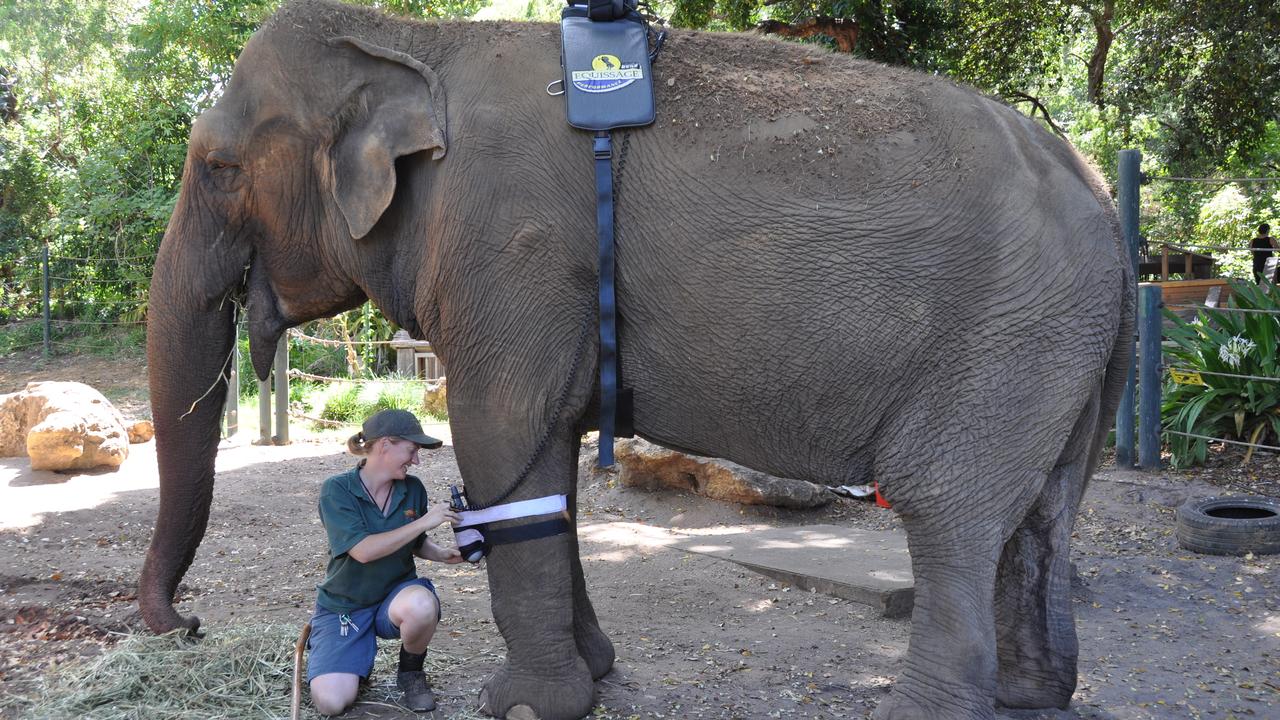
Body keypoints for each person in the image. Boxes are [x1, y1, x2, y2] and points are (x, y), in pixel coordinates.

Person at [307, 408, 461, 715]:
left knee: (422, 605)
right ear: (385, 444)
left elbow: (413, 542)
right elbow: (363, 551)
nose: (415, 460)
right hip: (345, 607)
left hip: (394, 597)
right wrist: (424, 523)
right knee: (331, 703)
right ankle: (350, 662)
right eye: (411, 450)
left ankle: (411, 674)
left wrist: (442, 554)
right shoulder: (337, 490)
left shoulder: (412, 488)